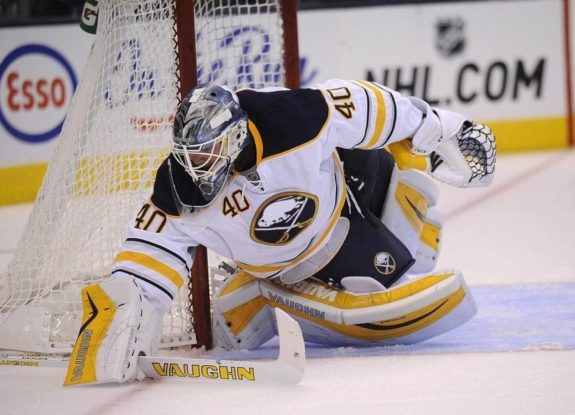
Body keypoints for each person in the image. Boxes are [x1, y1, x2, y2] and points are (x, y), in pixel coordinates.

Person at [64, 80, 496, 386]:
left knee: (411, 214)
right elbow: (148, 256)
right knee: (386, 273)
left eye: (209, 151)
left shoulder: (293, 118)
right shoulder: (177, 190)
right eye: (190, 154)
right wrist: (125, 315)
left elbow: (365, 103)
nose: (198, 164)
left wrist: (438, 126)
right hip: (294, 260)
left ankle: (262, 295)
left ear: (234, 137)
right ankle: (265, 291)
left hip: (343, 195)